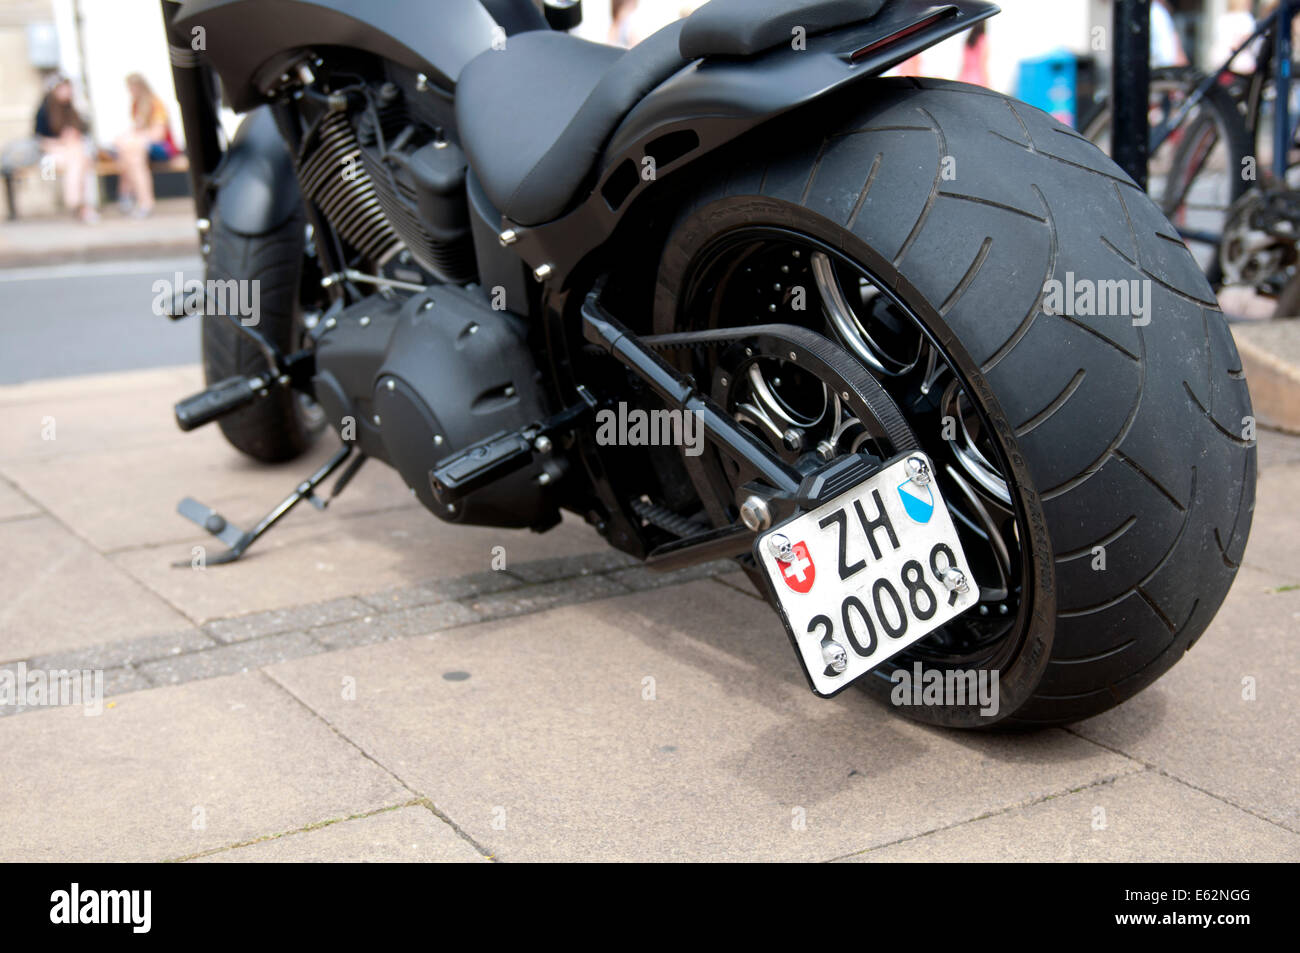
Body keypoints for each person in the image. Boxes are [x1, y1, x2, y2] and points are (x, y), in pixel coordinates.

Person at [113, 73, 179, 218]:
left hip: (163, 148)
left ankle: (140, 200)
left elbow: (158, 134)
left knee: (133, 154)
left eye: (132, 88)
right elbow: (136, 129)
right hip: (142, 147)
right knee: (127, 150)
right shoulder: (135, 105)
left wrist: (136, 138)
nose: (130, 92)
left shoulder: (155, 104)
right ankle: (132, 197)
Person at [34, 74, 97, 223]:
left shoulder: (73, 109)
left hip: (73, 153)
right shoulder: (45, 111)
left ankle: (77, 204)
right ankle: (81, 205)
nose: (67, 92)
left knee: (80, 160)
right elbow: (38, 139)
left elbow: (84, 134)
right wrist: (61, 142)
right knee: (78, 160)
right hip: (50, 158)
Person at [1150, 0, 1188, 68]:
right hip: (1158, 69)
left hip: (1166, 68)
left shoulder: (1160, 10)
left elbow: (1179, 55)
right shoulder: (1154, 11)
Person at [958, 21, 990, 87]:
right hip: (978, 80)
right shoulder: (983, 40)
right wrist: (988, 84)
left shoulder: (968, 40)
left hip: (964, 78)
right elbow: (982, 65)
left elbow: (964, 64)